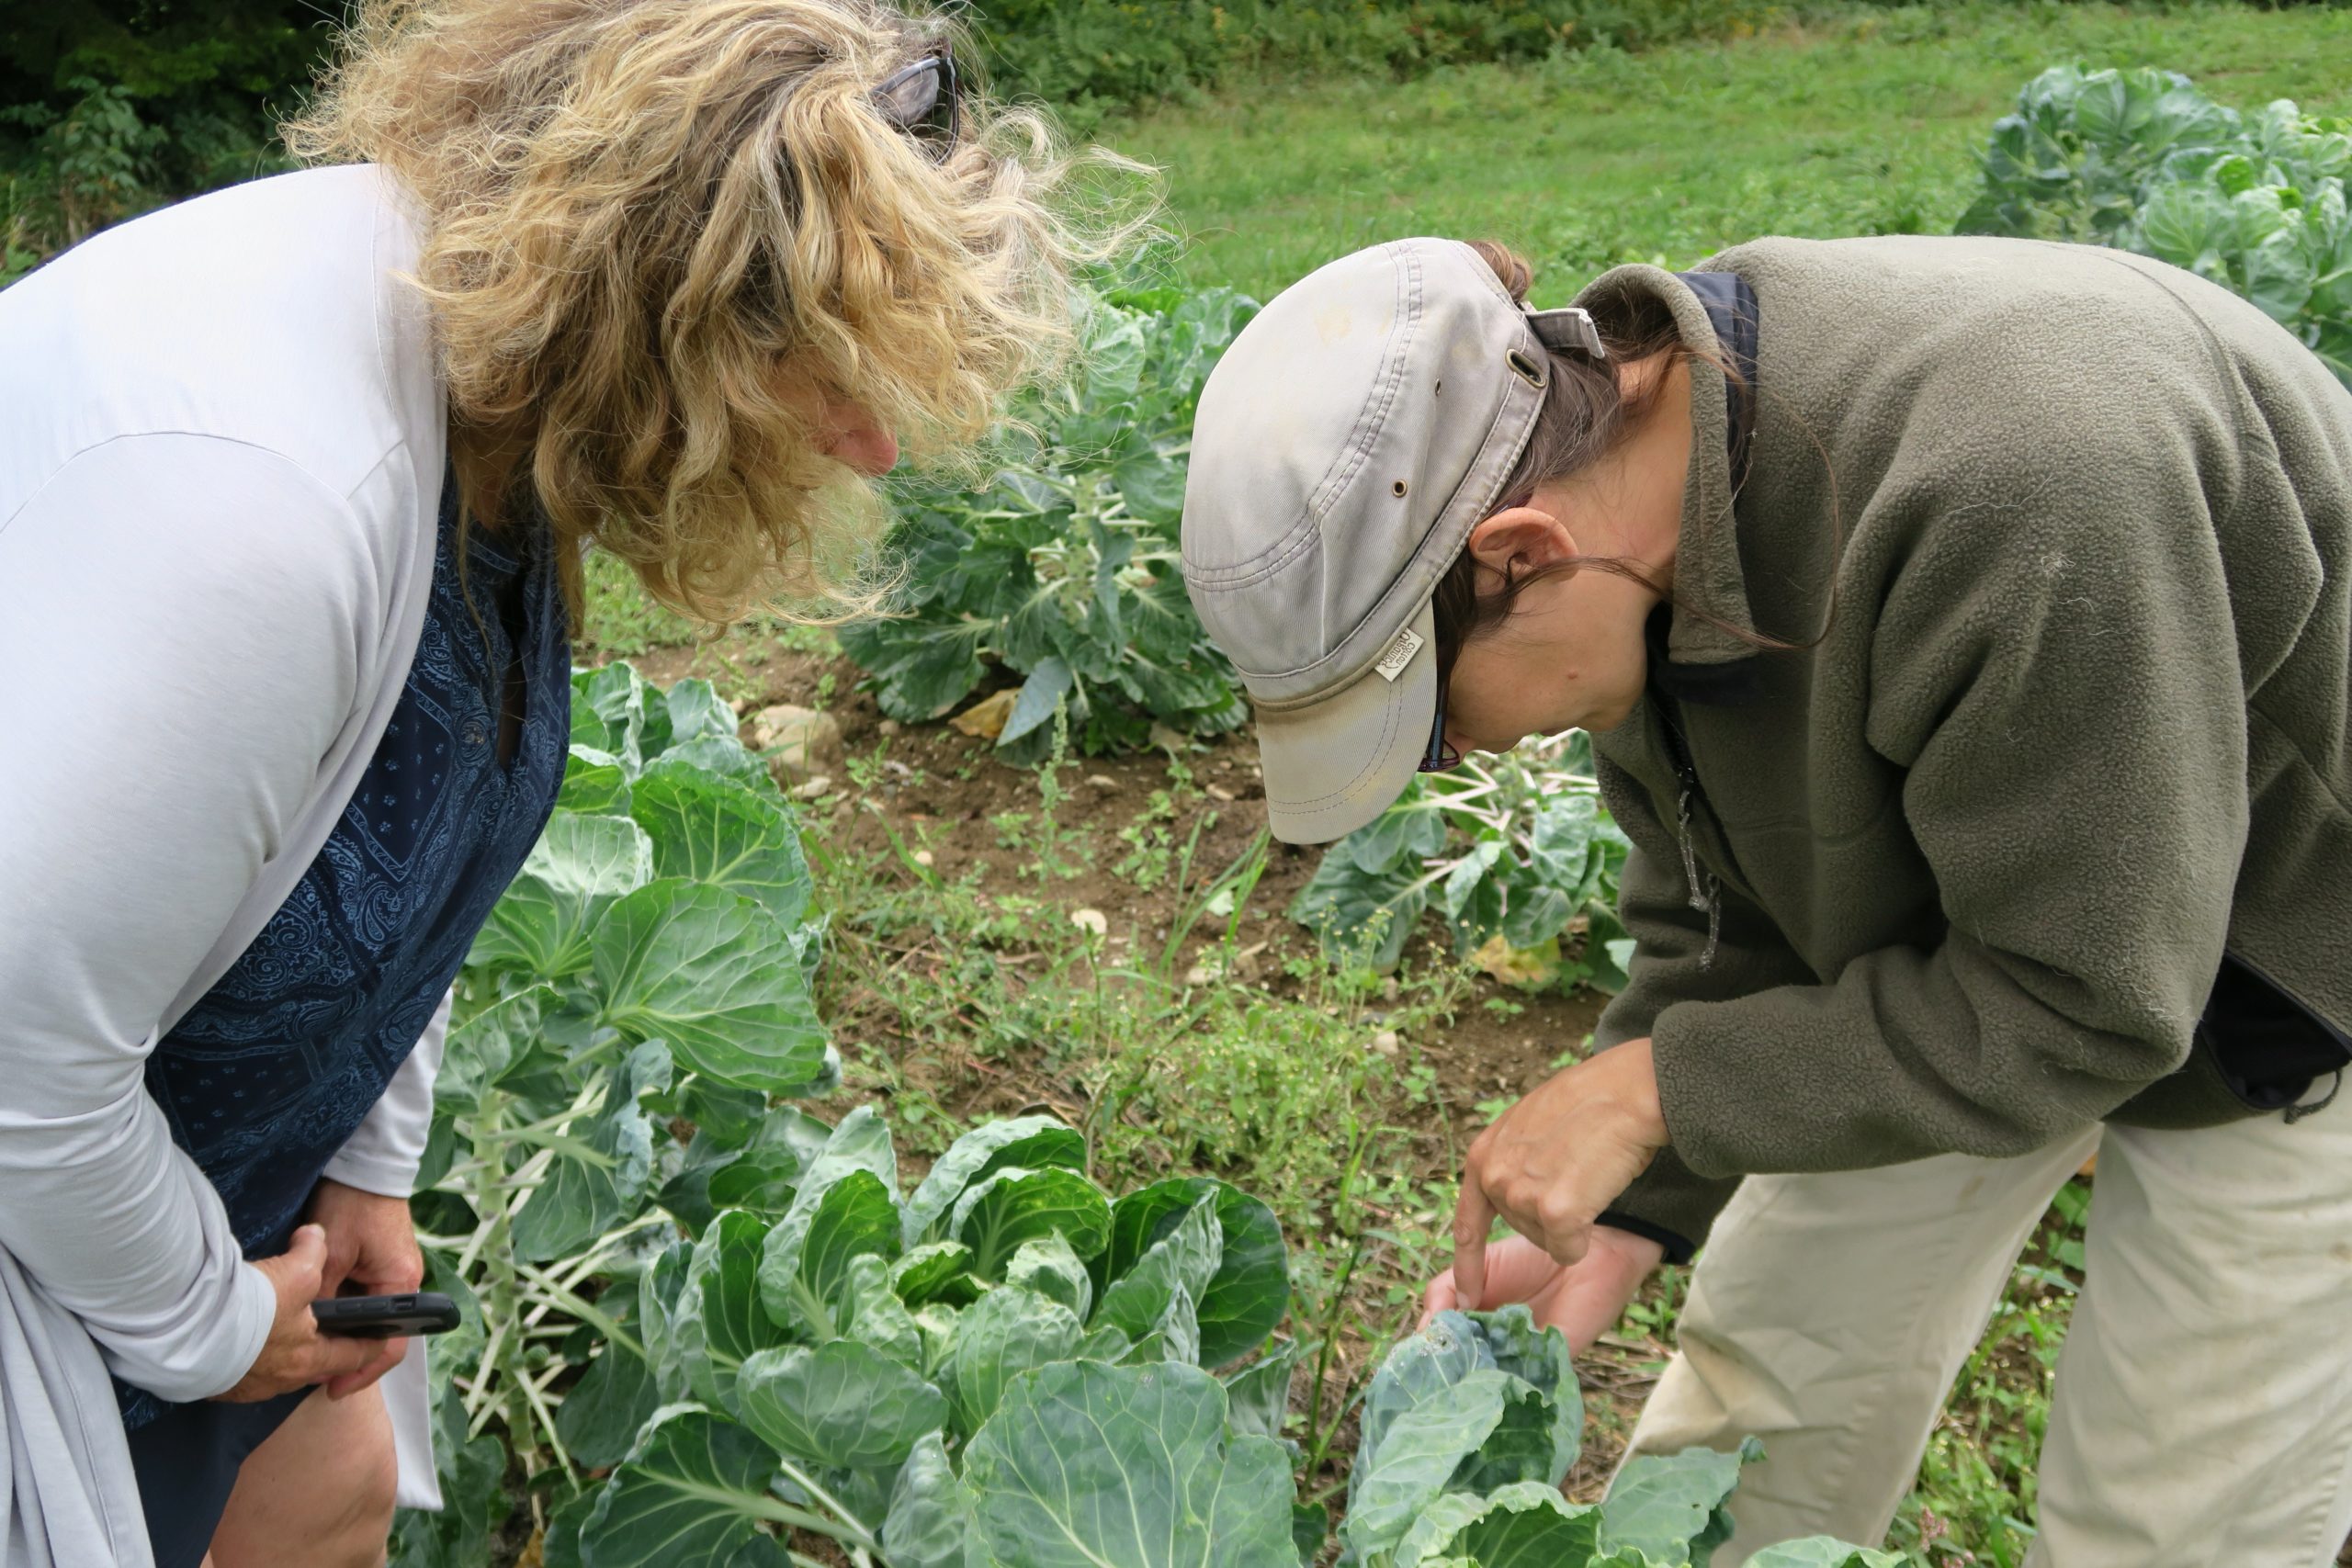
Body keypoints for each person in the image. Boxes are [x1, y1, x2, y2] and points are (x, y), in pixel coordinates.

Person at [0, 3, 1112, 1563]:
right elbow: (19, 1058)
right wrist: (202, 1323)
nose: (871, 447)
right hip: (63, 1225)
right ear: (661, 308)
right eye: (831, 374)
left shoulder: (495, 402)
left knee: (332, 1495)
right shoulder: (273, 512)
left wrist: (362, 1162)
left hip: (193, 1205)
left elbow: (404, 821)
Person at [1180, 233, 2352, 1562]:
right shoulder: (1652, 499)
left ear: (1521, 551)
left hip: (2292, 954)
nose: (1454, 760)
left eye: (1433, 726)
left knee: (2159, 1521)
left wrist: (1650, 1093)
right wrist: (1631, 1214)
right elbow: (1727, 897)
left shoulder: (2017, 485)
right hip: (1996, 910)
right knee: (1766, 1389)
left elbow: (2091, 1007)